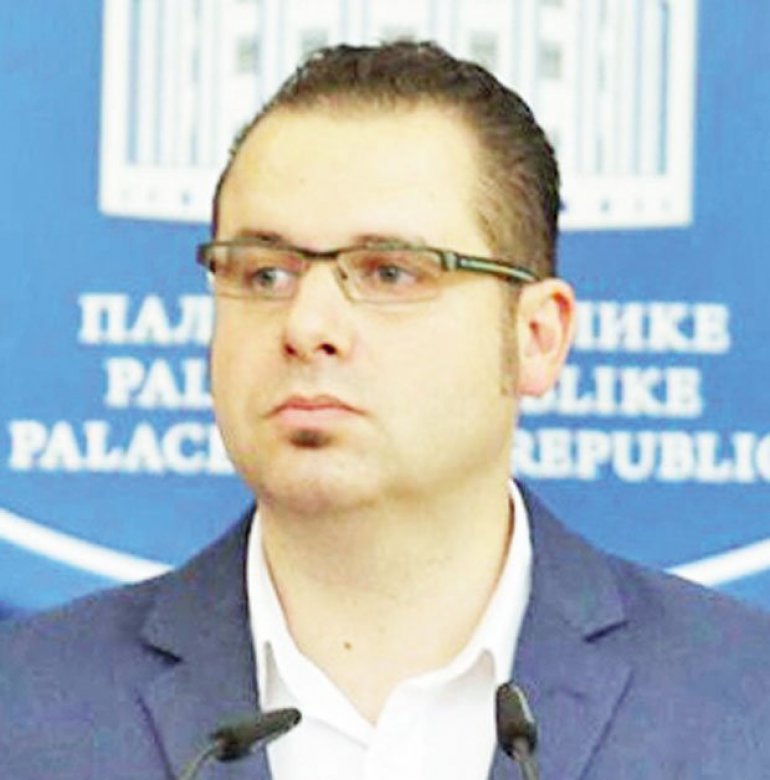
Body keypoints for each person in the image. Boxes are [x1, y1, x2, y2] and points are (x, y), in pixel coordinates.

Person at [1, 40, 770, 780]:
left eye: (390, 273)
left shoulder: (742, 701)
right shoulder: (29, 707)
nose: (307, 326)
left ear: (536, 338)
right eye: (264, 275)